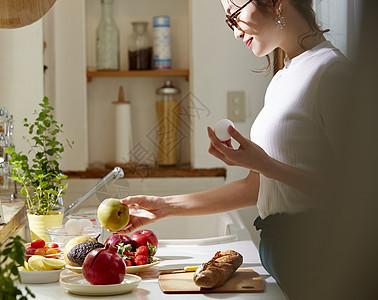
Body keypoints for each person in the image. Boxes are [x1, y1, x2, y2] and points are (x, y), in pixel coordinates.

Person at [118, 0, 351, 298]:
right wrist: (164, 207)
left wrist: (265, 163)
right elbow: (257, 187)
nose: (236, 32)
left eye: (235, 16)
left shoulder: (333, 73)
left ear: (277, 4)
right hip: (283, 251)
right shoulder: (285, 76)